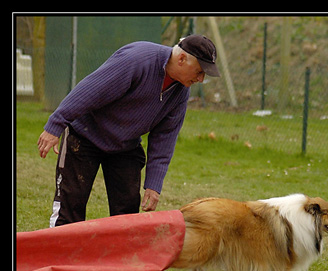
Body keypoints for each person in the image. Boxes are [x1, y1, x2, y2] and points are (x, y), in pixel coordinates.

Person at [37, 34, 220, 227]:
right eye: (199, 71)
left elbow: (165, 138)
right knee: (70, 209)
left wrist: (153, 184)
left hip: (125, 144)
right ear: (182, 59)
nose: (201, 79)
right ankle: (59, 253)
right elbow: (90, 91)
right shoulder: (138, 60)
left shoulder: (181, 92)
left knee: (127, 218)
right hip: (84, 134)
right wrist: (55, 125)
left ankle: (119, 257)